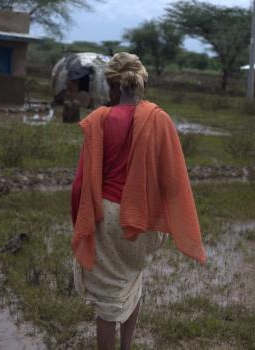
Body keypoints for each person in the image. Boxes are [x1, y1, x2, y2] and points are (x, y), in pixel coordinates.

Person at [71, 52, 206, 350]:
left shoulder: (100, 120)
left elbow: (81, 183)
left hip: (107, 219)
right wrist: (166, 219)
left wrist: (80, 221)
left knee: (107, 303)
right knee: (134, 281)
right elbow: (172, 181)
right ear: (141, 83)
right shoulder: (160, 120)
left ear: (111, 86)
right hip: (143, 219)